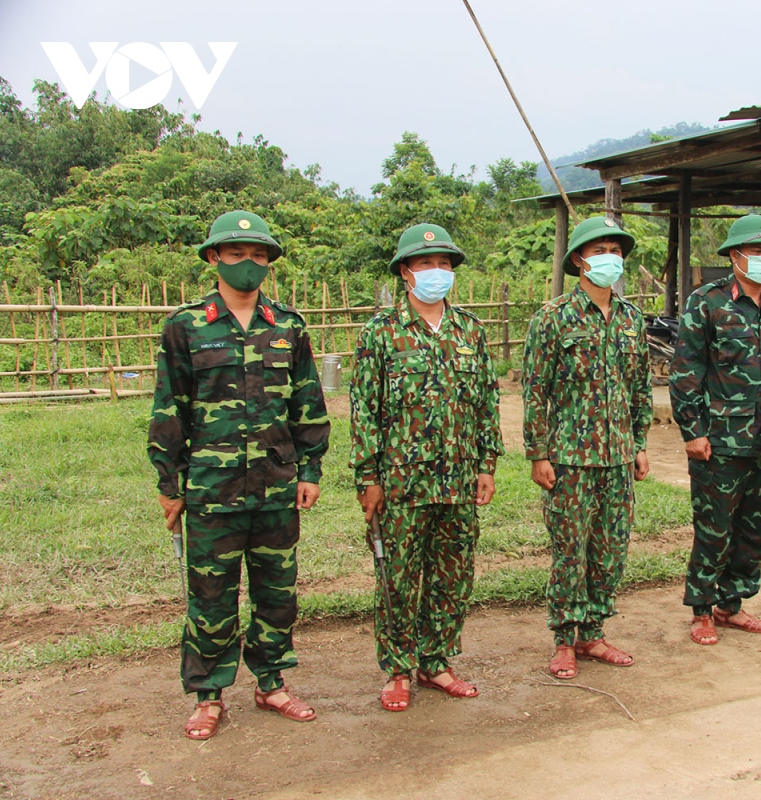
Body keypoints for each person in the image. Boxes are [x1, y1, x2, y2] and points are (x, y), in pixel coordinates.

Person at [148, 210, 330, 741]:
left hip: (276, 485)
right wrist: (169, 484)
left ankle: (271, 682)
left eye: (258, 256)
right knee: (211, 595)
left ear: (268, 263)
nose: (248, 264)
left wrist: (311, 469)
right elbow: (169, 410)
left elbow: (308, 404)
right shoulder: (186, 326)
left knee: (277, 593)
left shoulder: (288, 326)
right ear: (213, 258)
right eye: (236, 254)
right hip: (211, 488)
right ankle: (209, 695)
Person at [349, 223, 503, 711]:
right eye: (424, 264)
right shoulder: (382, 333)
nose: (436, 272)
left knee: (453, 575)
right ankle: (397, 667)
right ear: (405, 272)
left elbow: (486, 403)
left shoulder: (470, 331)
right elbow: (364, 411)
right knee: (397, 576)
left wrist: (487, 464)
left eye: (444, 264)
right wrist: (367, 478)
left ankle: (435, 661)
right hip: (401, 484)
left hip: (458, 480)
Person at [523, 215, 652, 680]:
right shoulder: (553, 318)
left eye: (615, 251)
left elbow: (640, 386)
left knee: (610, 548)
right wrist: (538, 453)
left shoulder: (633, 319)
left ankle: (592, 632)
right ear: (578, 259)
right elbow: (536, 390)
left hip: (618, 457)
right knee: (569, 551)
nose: (609, 259)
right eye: (599, 251)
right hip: (569, 458)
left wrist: (640, 442)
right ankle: (564, 638)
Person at [670, 213, 761, 646]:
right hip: (720, 442)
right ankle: (703, 609)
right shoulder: (706, 302)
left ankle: (732, 605)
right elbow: (687, 370)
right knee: (714, 528)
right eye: (757, 251)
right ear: (733, 255)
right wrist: (693, 430)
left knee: (755, 530)